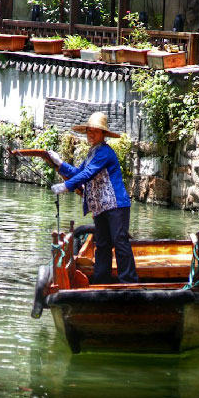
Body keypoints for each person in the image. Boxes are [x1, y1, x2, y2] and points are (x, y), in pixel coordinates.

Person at [46, 112, 138, 284]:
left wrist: (66, 186)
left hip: (115, 204)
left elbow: (88, 174)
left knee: (120, 242)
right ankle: (101, 280)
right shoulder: (92, 153)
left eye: (95, 131)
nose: (91, 134)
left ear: (103, 134)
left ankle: (129, 281)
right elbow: (79, 173)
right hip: (99, 207)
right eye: (89, 131)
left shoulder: (105, 152)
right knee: (102, 243)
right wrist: (60, 164)